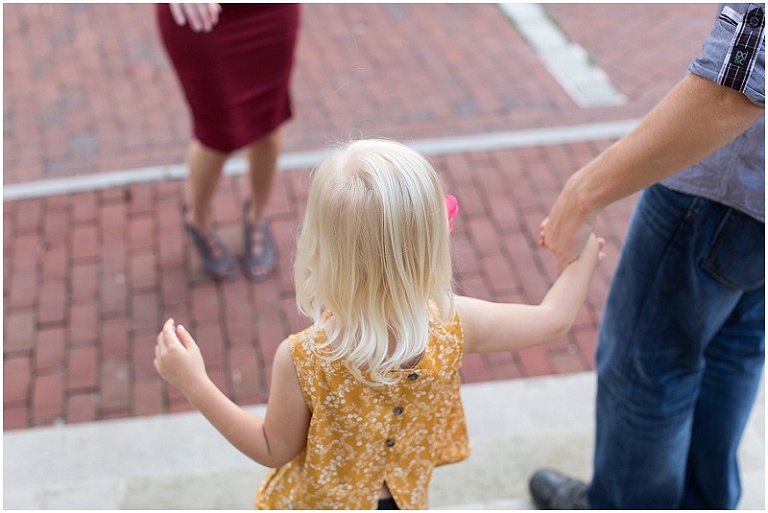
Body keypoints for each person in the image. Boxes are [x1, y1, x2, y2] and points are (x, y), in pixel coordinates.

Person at [154, 138, 606, 509]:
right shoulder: (452, 322)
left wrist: (194, 383)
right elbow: (552, 320)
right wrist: (581, 252)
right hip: (400, 499)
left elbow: (272, 447)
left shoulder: (306, 358)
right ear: (434, 243)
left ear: (321, 251)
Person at [529, 3, 764, 509]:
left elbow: (737, 86)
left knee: (648, 366)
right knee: (733, 349)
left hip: (718, 189)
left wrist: (582, 193)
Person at [156, 3, 301, 281]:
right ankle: (197, 220)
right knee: (216, 135)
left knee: (269, 125)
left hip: (270, 13)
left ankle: (258, 216)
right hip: (201, 19)